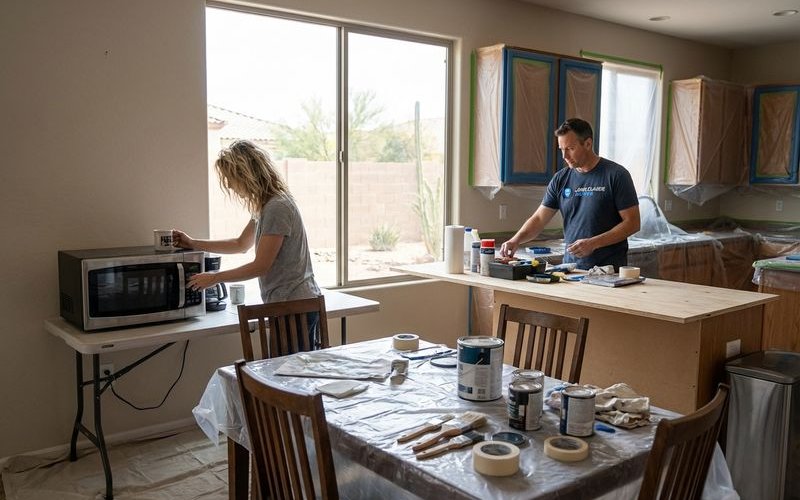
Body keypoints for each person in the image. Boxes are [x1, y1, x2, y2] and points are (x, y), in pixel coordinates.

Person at [172, 140, 322, 343]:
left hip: (294, 304)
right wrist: (193, 243)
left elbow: (261, 266)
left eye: (231, 180)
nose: (231, 187)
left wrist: (215, 278)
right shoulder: (264, 207)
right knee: (286, 370)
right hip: (288, 303)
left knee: (289, 373)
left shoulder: (277, 207)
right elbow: (240, 244)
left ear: (246, 175)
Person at [500, 118, 640, 271]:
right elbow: (539, 219)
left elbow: (633, 223)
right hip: (572, 269)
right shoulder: (561, 179)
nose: (564, 156)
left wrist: (593, 243)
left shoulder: (616, 175)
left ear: (587, 144)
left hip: (609, 271)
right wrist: (516, 240)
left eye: (570, 149)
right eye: (561, 149)